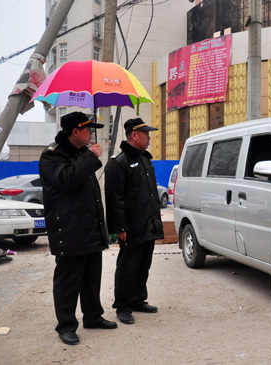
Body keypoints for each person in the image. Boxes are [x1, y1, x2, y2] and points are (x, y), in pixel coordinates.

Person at [39, 111, 117, 346]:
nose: (91, 133)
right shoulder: (52, 156)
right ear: (75, 131)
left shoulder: (82, 152)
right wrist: (90, 158)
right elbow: (67, 180)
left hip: (90, 228)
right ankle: (66, 325)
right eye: (87, 129)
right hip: (69, 229)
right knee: (68, 281)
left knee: (91, 278)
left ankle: (93, 316)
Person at [104, 117, 164, 325]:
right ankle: (123, 305)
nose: (149, 138)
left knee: (143, 264)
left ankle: (138, 299)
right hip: (130, 226)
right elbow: (114, 198)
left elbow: (148, 195)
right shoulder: (119, 162)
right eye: (146, 134)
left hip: (147, 222)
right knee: (128, 266)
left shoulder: (145, 159)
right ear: (134, 135)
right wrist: (119, 227)